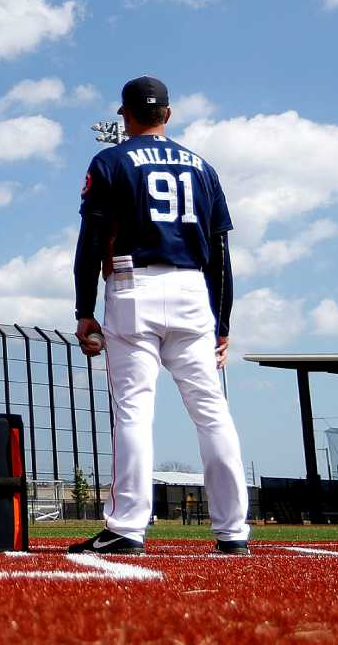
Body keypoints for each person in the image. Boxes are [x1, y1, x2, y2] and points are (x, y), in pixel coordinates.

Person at [69, 76, 251, 557]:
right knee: (212, 412)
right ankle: (233, 532)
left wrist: (83, 309)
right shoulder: (203, 167)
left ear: (123, 115)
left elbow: (91, 241)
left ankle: (128, 527)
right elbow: (221, 253)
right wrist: (223, 323)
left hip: (134, 285)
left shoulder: (111, 160)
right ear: (168, 114)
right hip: (193, 289)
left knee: (133, 410)